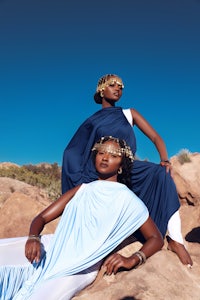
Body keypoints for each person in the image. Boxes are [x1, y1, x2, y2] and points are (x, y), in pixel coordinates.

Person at [0, 136, 163, 300]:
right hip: (54, 246)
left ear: (121, 165)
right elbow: (41, 217)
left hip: (81, 267)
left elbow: (156, 238)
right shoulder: (82, 190)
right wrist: (33, 237)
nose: (105, 158)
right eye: (101, 153)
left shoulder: (129, 200)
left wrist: (133, 259)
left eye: (114, 155)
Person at [61, 74, 193, 267]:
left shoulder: (129, 114)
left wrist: (165, 159)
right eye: (112, 85)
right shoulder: (92, 121)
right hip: (101, 174)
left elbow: (156, 138)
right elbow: (73, 150)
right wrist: (82, 175)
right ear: (101, 90)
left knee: (161, 173)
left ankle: (175, 239)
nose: (117, 89)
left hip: (128, 169)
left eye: (121, 86)